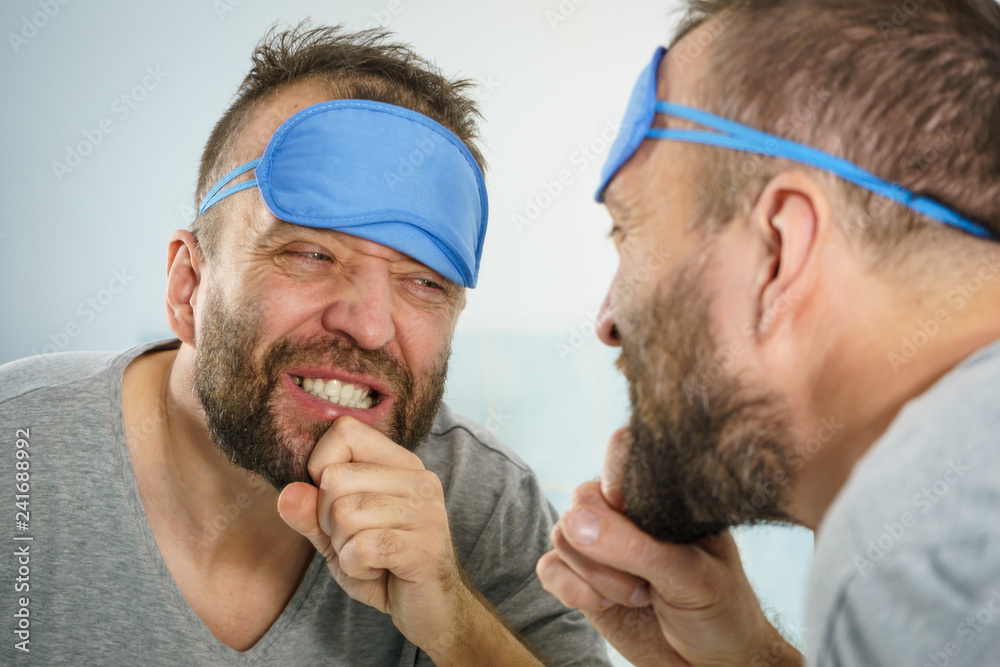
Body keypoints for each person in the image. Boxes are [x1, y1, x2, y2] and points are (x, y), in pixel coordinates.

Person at [0, 25, 609, 666]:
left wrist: (456, 625)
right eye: (311, 254)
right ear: (188, 286)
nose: (369, 326)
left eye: (424, 282)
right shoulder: (18, 444)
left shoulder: (485, 507)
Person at [536, 0, 1000, 665]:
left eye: (629, 230)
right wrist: (746, 656)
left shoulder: (933, 547)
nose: (608, 320)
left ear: (779, 251)